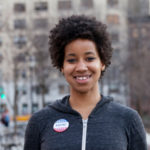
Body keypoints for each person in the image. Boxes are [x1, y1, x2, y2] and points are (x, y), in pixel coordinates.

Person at [24, 15, 147, 150]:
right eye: (71, 60)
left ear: (102, 63)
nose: (81, 67)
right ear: (61, 66)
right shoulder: (40, 121)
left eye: (89, 58)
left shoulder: (128, 119)